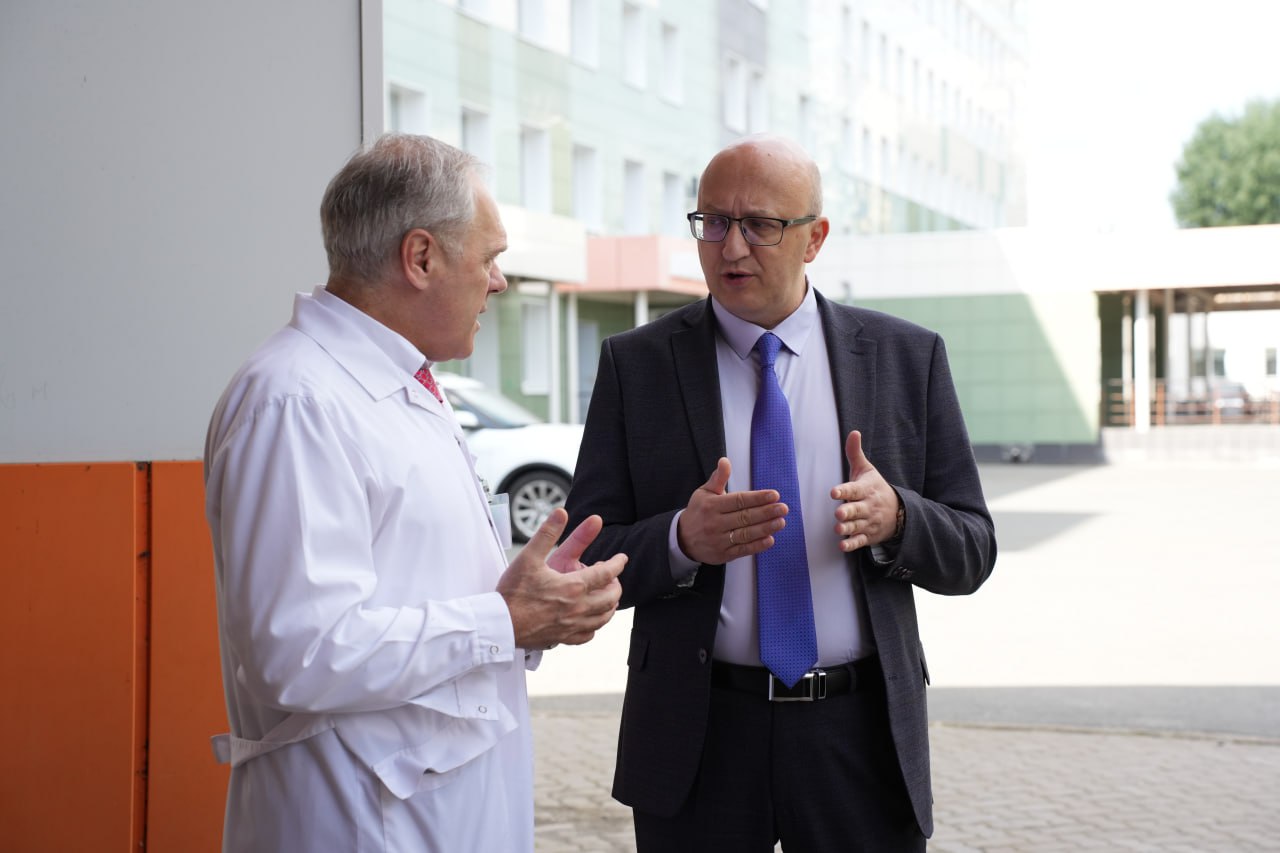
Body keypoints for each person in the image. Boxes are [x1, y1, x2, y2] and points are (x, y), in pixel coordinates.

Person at [563, 134, 996, 851]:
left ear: (815, 238)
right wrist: (679, 541)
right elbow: (585, 554)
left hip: (858, 736)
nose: (731, 248)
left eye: (760, 225)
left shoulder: (905, 357)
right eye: (713, 222)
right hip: (698, 735)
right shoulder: (636, 365)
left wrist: (898, 518)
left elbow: (974, 550)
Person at [203, 133, 626, 853]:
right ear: (421, 257)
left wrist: (530, 602)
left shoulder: (400, 383)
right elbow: (300, 652)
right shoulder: (297, 401)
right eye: (489, 258)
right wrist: (503, 619)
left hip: (433, 809)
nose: (499, 282)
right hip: (361, 823)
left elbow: (416, 587)